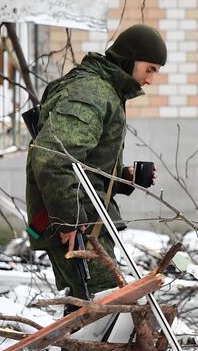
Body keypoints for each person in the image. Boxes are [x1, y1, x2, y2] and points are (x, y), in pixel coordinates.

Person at [26, 25, 166, 298]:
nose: (150, 80)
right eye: (149, 69)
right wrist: (69, 221)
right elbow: (52, 159)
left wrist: (125, 176)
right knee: (100, 309)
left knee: (88, 309)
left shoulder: (105, 91)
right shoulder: (90, 93)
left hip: (87, 221)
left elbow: (87, 165)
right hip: (77, 226)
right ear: (130, 59)